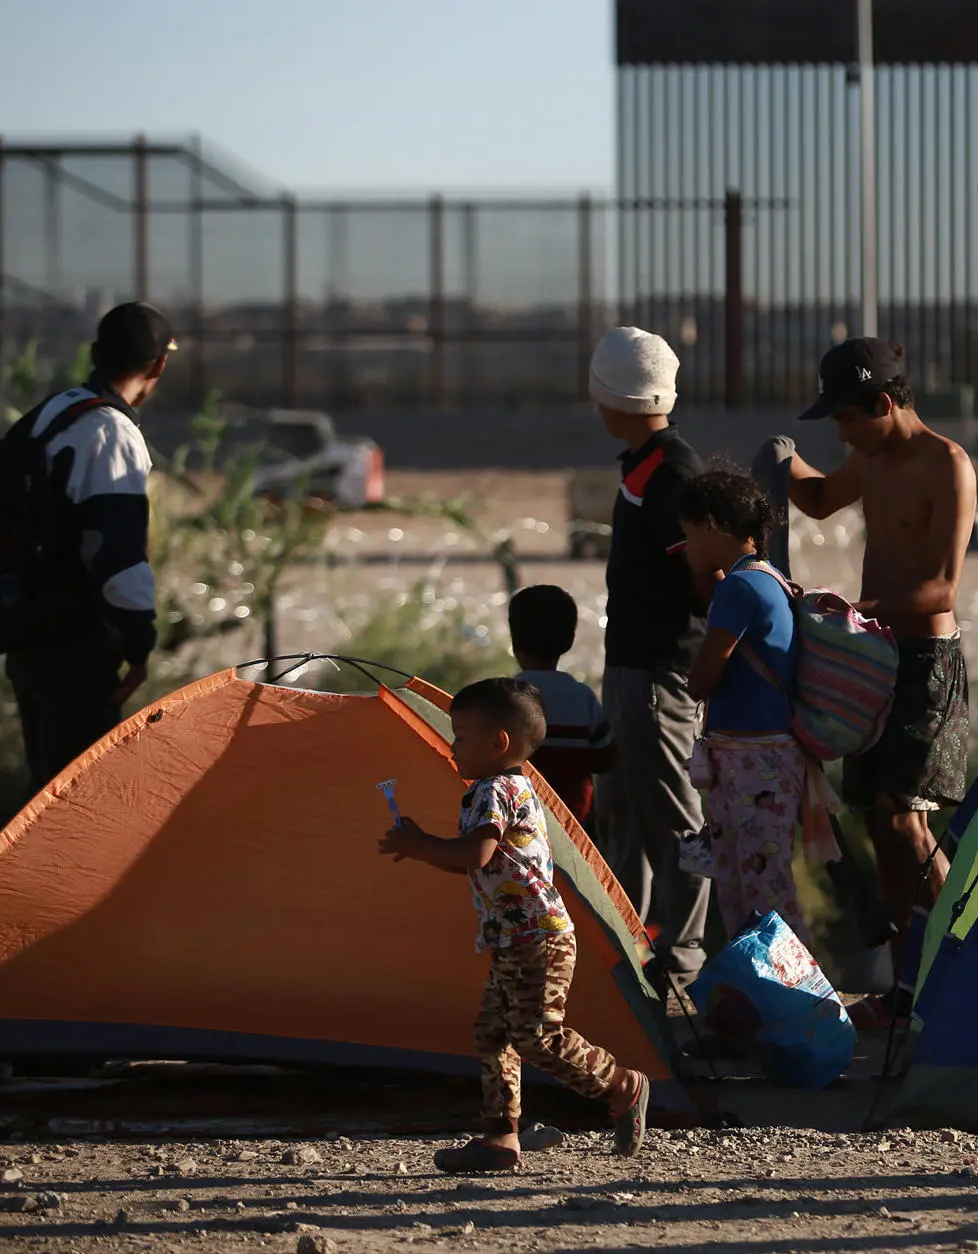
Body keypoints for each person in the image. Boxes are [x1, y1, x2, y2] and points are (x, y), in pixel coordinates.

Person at [377, 678, 650, 1173]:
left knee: (535, 1037)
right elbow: (478, 862)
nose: (453, 744)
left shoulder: (491, 790)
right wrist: (426, 849)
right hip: (512, 938)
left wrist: (420, 845)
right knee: (493, 1034)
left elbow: (475, 853)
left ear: (498, 742)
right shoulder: (510, 786)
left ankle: (621, 1084)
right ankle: (501, 1138)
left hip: (536, 938)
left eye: (460, 735)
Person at [784, 338, 976, 964]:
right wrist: (781, 463)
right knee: (877, 824)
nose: (841, 435)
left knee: (903, 822)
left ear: (886, 402)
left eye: (846, 418)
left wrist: (857, 613)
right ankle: (904, 983)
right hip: (878, 661)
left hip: (926, 660)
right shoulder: (868, 460)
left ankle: (963, 957)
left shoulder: (946, 463)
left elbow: (942, 588)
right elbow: (817, 500)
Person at [590, 326, 712, 986]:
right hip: (634, 667)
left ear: (610, 398)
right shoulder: (646, 466)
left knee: (675, 814)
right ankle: (629, 944)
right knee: (625, 811)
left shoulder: (671, 473)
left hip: (660, 671)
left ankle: (684, 955)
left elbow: (697, 571)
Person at [6, 302, 170, 789]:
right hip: (75, 646)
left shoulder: (52, 413)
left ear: (96, 354)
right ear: (158, 366)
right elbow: (117, 557)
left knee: (45, 796)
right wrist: (139, 642)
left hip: (25, 632)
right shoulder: (110, 432)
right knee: (80, 803)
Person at [677, 465, 818, 948]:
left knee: (760, 887)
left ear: (712, 525)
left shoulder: (738, 589)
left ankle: (795, 999)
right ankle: (756, 1001)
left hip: (750, 758)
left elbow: (704, 677)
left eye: (690, 534)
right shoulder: (764, 577)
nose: (688, 546)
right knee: (747, 878)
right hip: (760, 754)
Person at [509, 585, 616, 833]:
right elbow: (605, 758)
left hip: (520, 821)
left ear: (515, 641)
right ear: (569, 641)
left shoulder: (505, 699)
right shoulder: (582, 696)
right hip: (575, 823)